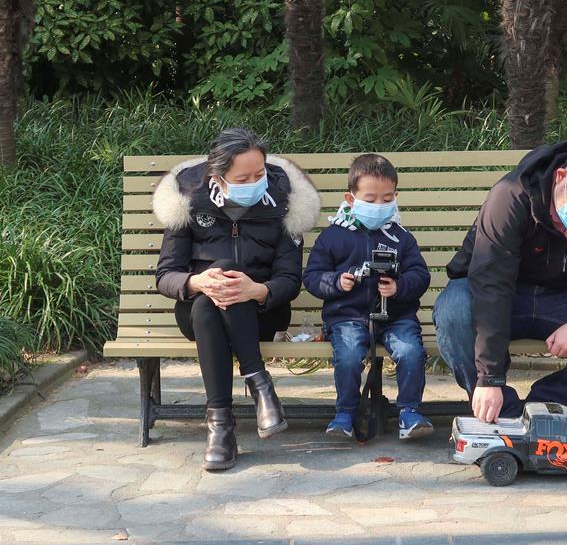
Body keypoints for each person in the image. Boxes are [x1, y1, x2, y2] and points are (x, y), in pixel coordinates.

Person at [433, 139, 567, 423]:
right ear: (562, 177)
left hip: (565, 297)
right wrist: (489, 377)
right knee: (454, 307)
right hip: (504, 296)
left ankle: (548, 407)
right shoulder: (511, 195)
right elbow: (491, 284)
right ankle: (505, 412)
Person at [152, 127, 320, 470]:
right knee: (208, 298)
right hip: (197, 312)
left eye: (260, 174)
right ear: (218, 176)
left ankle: (221, 428)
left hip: (264, 311)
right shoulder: (189, 200)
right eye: (244, 177)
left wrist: (257, 290)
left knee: (221, 281)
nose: (255, 181)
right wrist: (199, 281)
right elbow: (166, 276)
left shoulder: (284, 202)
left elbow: (290, 279)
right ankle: (259, 384)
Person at [303, 154, 433, 440]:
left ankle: (410, 411)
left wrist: (400, 287)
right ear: (351, 199)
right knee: (348, 355)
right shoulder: (333, 236)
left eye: (387, 199)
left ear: (396, 196)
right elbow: (312, 276)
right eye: (371, 199)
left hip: (396, 316)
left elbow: (420, 275)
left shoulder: (401, 237)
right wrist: (337, 282)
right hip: (348, 316)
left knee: (410, 352)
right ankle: (345, 413)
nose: (379, 206)